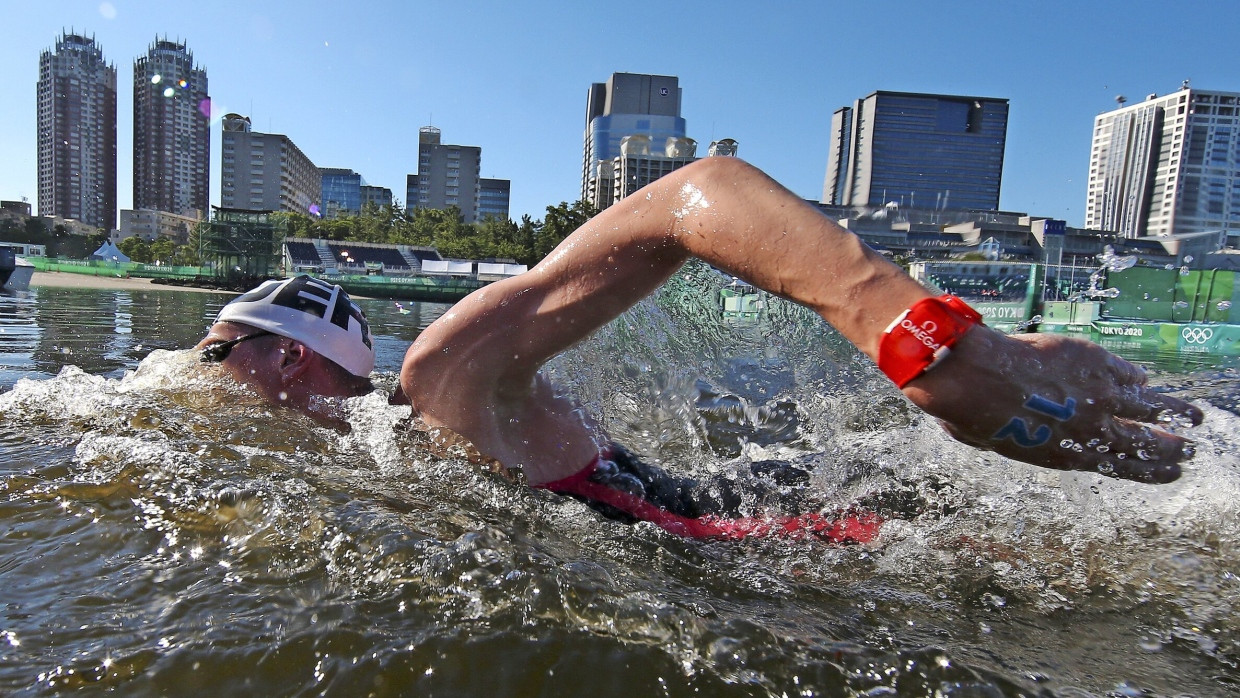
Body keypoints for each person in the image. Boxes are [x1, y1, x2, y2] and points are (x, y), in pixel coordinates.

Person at [196, 157, 1203, 540]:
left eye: (212, 351)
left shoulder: (445, 384)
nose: (191, 371)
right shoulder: (388, 464)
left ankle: (1006, 369)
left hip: (815, 533)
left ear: (285, 360)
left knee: (1184, 472)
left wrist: (921, 343)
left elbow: (694, 196)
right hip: (792, 516)